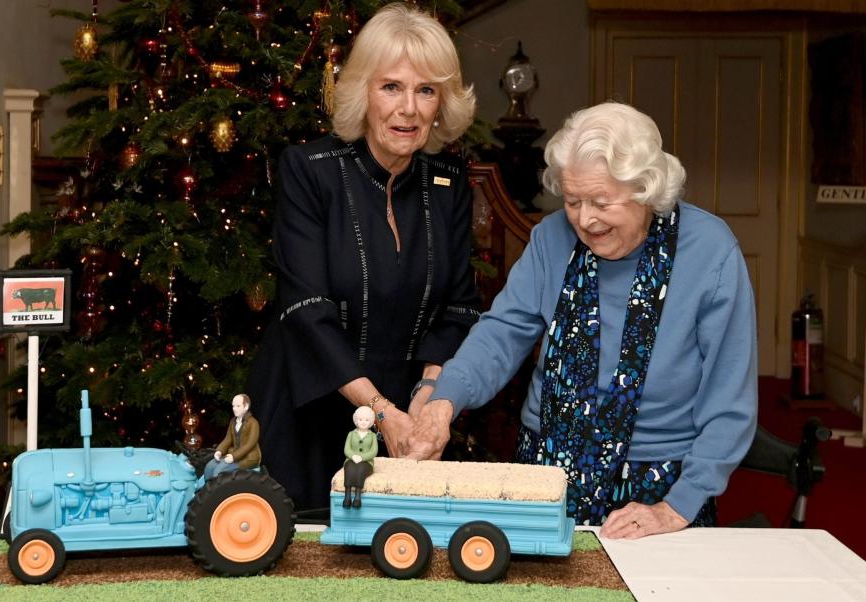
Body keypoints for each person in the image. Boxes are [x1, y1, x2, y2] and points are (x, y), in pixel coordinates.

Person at [405, 102, 758, 539]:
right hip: (546, 471)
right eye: (573, 200)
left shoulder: (710, 251)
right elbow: (501, 334)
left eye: (601, 202)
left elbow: (730, 398)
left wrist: (677, 507)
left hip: (654, 489)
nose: (585, 219)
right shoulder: (551, 238)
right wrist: (444, 401)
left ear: (646, 189)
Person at [247, 2, 480, 516]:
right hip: (310, 412)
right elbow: (307, 311)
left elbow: (458, 309)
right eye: (391, 86)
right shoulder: (310, 171)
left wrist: (425, 402)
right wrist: (381, 413)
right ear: (362, 92)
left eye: (426, 90)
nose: (409, 109)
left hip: (408, 423)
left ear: (442, 103)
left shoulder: (449, 185)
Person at [204, 394, 261, 481]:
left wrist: (234, 456)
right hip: (233, 455)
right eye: (233, 406)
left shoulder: (253, 423)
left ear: (246, 406)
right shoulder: (233, 421)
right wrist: (219, 451)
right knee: (210, 466)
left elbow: (250, 444)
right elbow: (228, 439)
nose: (234, 408)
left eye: (238, 406)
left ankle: (217, 492)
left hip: (249, 457)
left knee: (219, 471)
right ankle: (207, 491)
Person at [342, 406, 378, 509]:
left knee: (361, 470)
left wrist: (362, 457)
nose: (363, 422)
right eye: (360, 419)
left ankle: (357, 497)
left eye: (366, 420)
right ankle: (347, 496)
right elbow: (347, 449)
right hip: (351, 459)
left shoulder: (372, 436)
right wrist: (353, 456)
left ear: (371, 422)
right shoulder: (351, 434)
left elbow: (374, 451)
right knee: (349, 468)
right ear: (356, 420)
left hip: (367, 462)